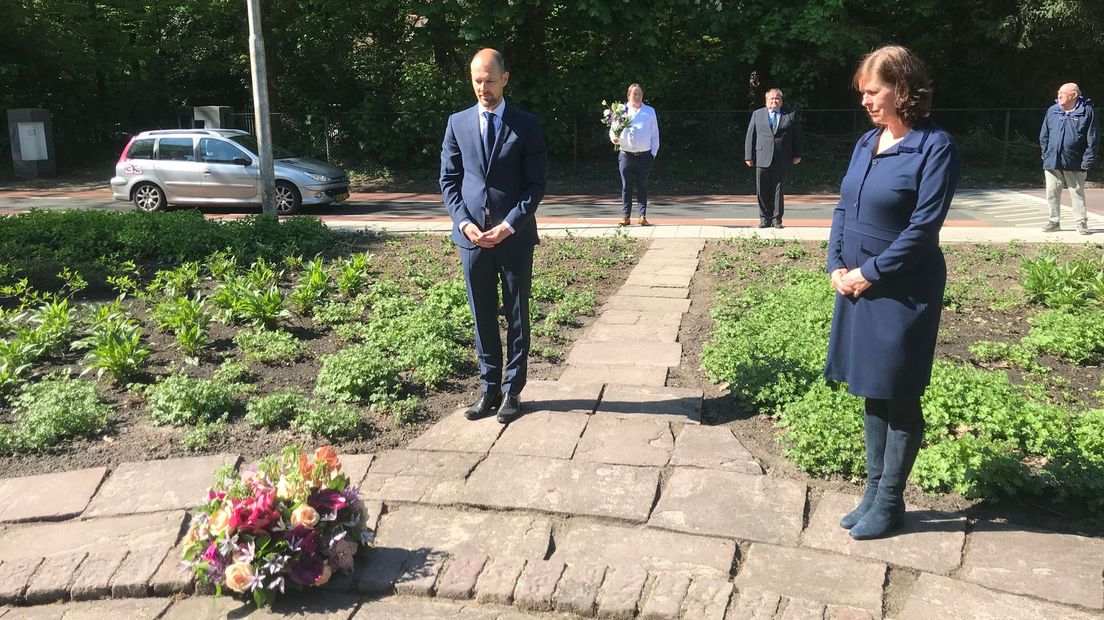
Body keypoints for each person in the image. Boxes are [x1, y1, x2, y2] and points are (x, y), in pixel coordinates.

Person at [824, 45, 960, 540]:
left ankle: (889, 502)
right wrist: (836, 263)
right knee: (872, 390)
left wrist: (871, 272)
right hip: (859, 285)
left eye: (873, 91)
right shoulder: (866, 143)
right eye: (863, 93)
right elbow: (843, 208)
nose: (865, 100)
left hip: (903, 290)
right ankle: (872, 492)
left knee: (898, 393)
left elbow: (924, 228)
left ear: (902, 90)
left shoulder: (934, 147)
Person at [440, 48, 547, 424]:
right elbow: (449, 180)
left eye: (489, 80)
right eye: (476, 80)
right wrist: (462, 222)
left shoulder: (526, 124)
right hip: (472, 238)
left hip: (513, 237)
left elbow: (536, 185)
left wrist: (509, 224)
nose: (482, 87)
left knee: (517, 314)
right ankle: (488, 388)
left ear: (505, 78)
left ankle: (512, 391)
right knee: (481, 313)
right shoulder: (458, 123)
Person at [1040, 83, 1098, 235]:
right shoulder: (1052, 111)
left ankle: (1081, 223)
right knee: (1052, 191)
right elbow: (1044, 135)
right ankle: (1054, 221)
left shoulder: (1087, 111)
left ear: (1074, 95)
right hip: (1052, 160)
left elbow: (1092, 139)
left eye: (1063, 93)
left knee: (1077, 192)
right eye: (1059, 92)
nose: (1059, 95)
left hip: (1075, 161)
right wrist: (1046, 154)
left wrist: (1087, 161)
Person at [744, 88, 803, 228]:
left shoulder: (790, 114)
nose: (774, 101)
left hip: (782, 157)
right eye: (771, 99)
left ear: (781, 101)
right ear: (766, 101)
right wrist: (748, 156)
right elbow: (750, 136)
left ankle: (777, 220)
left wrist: (797, 154)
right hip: (761, 157)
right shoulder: (757, 114)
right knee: (762, 189)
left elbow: (798, 136)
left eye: (777, 99)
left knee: (778, 189)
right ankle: (764, 219)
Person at [610, 83, 660, 226]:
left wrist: (653, 153)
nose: (637, 97)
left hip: (645, 156)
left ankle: (642, 216)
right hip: (626, 155)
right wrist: (614, 138)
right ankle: (625, 216)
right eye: (634, 94)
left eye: (639, 94)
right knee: (626, 186)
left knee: (642, 185)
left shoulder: (650, 111)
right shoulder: (621, 110)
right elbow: (613, 129)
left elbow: (655, 134)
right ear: (629, 95)